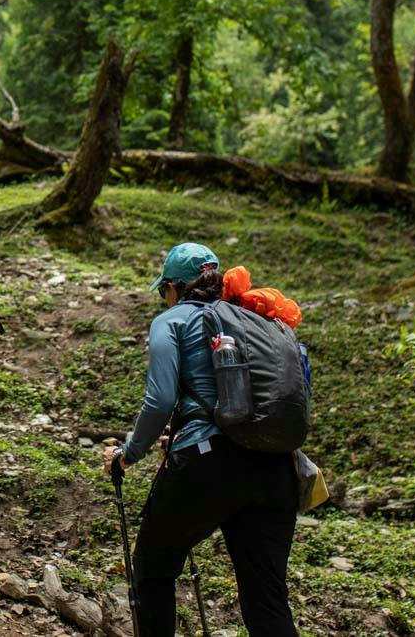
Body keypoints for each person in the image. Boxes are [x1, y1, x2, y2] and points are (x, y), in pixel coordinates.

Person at [102, 243, 300, 637]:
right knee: (267, 599)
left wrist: (128, 454)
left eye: (164, 290)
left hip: (208, 463)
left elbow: (159, 400)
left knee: (153, 568)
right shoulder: (251, 318)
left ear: (174, 288)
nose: (164, 297)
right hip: (276, 467)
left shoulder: (172, 320)